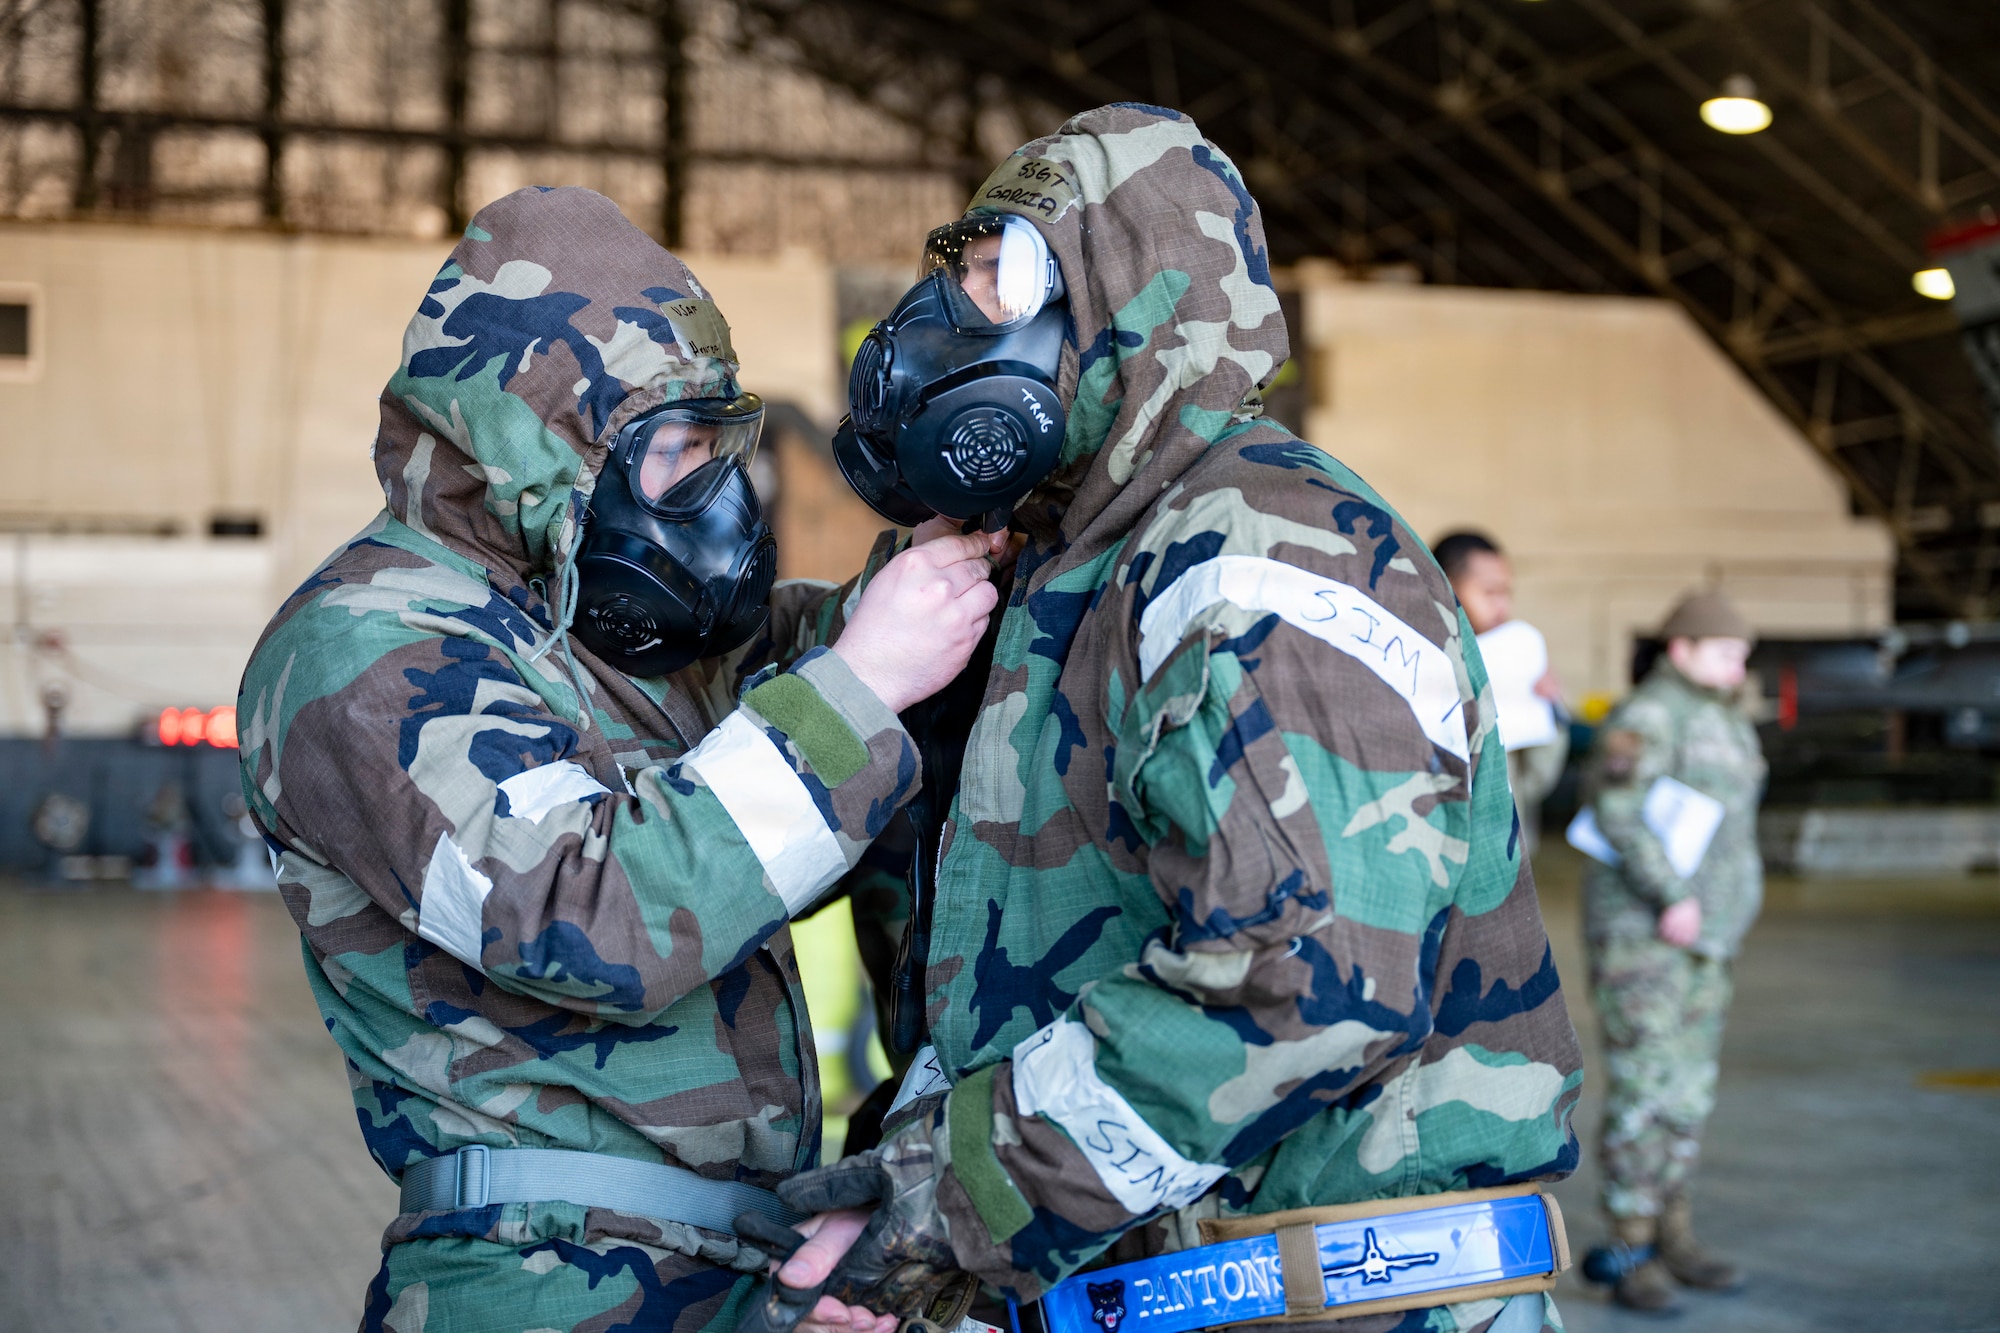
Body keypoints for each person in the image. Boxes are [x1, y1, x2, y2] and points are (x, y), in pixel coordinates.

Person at [746, 106, 1584, 1333]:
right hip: (1156, 1294)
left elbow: (1300, 983)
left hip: (1340, 1303)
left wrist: (944, 1197)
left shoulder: (1257, 555)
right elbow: (1026, 969)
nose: (948, 323)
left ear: (1124, 294)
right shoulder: (1061, 571)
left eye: (996, 277)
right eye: (957, 277)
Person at [235, 186, 1004, 1333]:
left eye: (719, 446)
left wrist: (955, 547)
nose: (714, 497)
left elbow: (827, 647)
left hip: (727, 1260)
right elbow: (586, 915)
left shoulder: (609, 632)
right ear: (536, 448)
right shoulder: (364, 647)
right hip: (540, 1282)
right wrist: (864, 683)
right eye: (674, 451)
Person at [1576, 589, 1764, 1312]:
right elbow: (1615, 807)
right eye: (1724, 650)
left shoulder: (1724, 718)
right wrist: (1670, 894)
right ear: (1680, 648)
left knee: (1689, 1089)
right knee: (1645, 1087)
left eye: (1741, 652)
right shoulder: (1649, 714)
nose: (1736, 662)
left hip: (1706, 938)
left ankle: (1672, 1232)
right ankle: (1630, 1246)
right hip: (1645, 936)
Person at [1433, 532, 1568, 853]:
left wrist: (1550, 707)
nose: (1502, 606)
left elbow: (1533, 781)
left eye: (1506, 593)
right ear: (1443, 584)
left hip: (1500, 858)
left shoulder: (1518, 663)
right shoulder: (1405, 658)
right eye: (1490, 592)